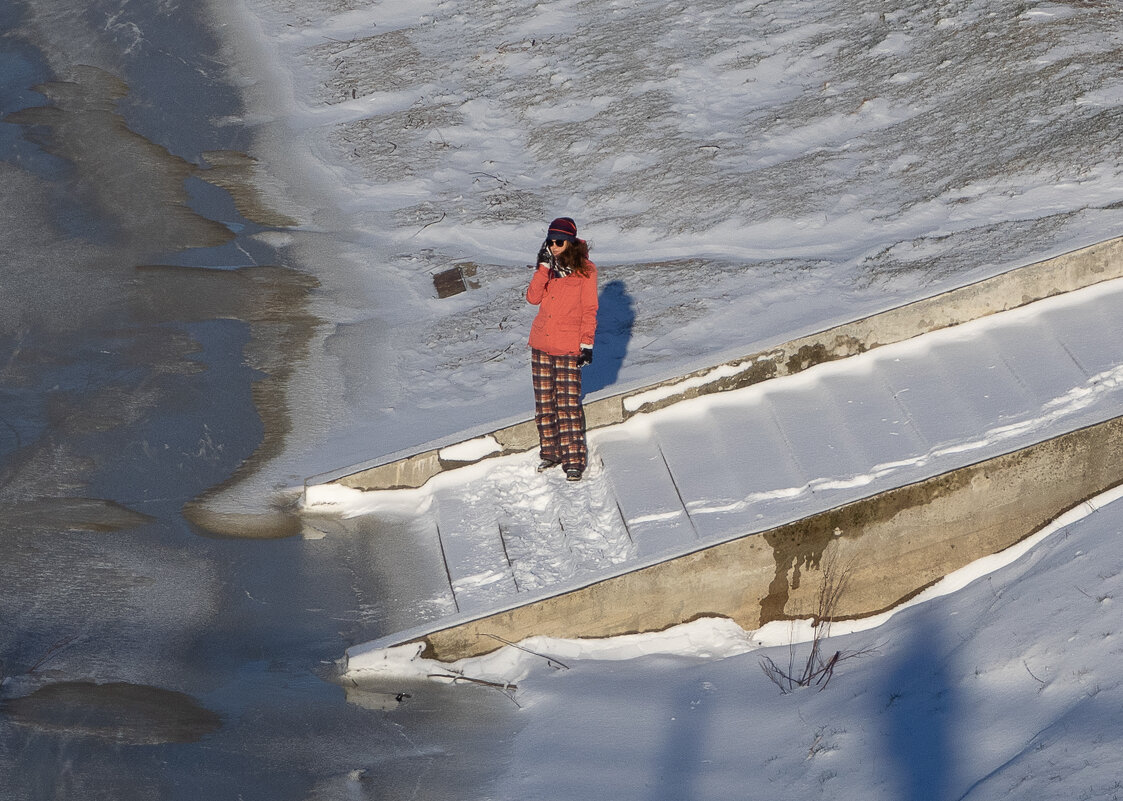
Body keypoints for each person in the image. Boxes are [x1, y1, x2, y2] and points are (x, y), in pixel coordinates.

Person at [526, 217, 598, 481]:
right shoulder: (547, 269)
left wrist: (586, 344)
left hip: (568, 347)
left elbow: (590, 310)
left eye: (559, 242)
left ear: (570, 243)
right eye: (550, 242)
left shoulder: (586, 271)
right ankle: (550, 452)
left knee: (568, 405)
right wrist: (542, 267)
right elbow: (532, 298)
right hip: (541, 344)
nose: (554, 246)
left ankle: (574, 460)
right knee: (545, 403)